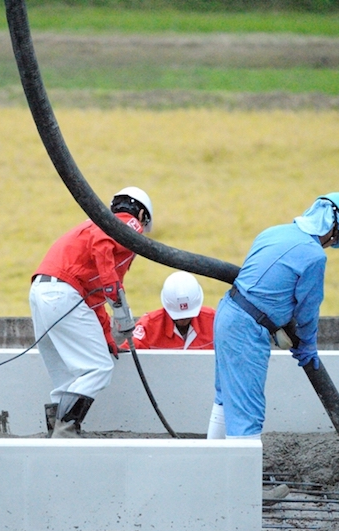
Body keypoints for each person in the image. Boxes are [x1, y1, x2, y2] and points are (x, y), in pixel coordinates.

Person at [208, 192, 339, 440]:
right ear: (334, 231)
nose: (331, 245)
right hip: (248, 329)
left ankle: (212, 467)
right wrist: (307, 345)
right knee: (247, 414)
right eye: (335, 240)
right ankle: (240, 477)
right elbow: (308, 309)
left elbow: (260, 282)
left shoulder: (274, 231)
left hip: (226, 313)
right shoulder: (315, 256)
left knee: (226, 397)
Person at [29, 186, 153, 439]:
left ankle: (58, 437)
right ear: (141, 214)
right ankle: (66, 431)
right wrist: (119, 305)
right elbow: (103, 253)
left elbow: (94, 301)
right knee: (98, 368)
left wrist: (107, 337)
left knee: (65, 375)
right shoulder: (125, 224)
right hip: (63, 294)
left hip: (43, 292)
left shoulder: (92, 224)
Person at [120, 271, 215, 350]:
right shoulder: (148, 326)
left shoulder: (214, 322)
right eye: (178, 316)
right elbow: (127, 357)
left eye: (187, 316)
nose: (183, 319)